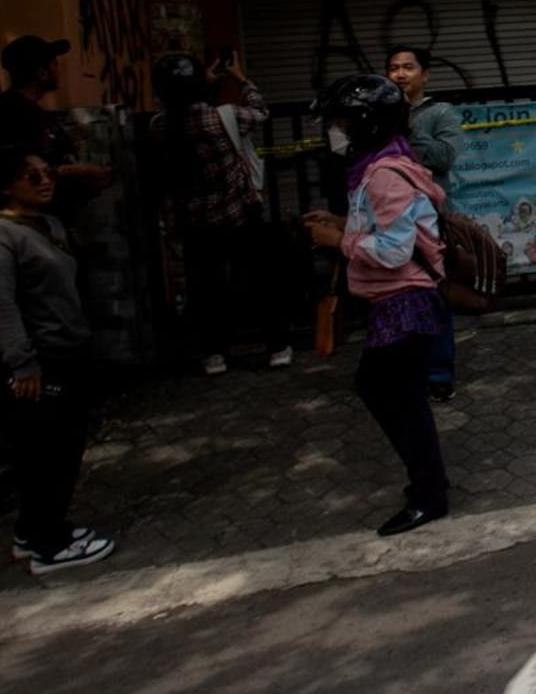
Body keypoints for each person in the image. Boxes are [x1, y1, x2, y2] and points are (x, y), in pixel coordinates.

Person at [302, 76, 451, 536]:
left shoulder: (386, 175)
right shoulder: (377, 168)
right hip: (395, 302)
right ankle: (427, 486)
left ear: (366, 123)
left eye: (342, 122)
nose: (336, 131)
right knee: (394, 394)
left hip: (405, 302)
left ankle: (430, 494)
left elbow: (392, 250)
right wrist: (343, 222)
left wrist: (338, 239)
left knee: (393, 395)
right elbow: (386, 226)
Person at [0, 149, 117, 574]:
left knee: (63, 449)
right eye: (30, 176)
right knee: (47, 453)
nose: (44, 181)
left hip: (69, 353)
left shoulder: (47, 224)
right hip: (40, 362)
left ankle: (34, 531)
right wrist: (22, 363)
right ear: (6, 185)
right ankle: (48, 546)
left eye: (47, 173)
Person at [154, 50, 293, 375]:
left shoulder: (160, 127)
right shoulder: (221, 117)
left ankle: (213, 353)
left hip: (195, 221)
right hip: (239, 214)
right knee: (261, 281)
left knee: (206, 288)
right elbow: (260, 111)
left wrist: (205, 84)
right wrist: (240, 79)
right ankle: (277, 347)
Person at [390, 46, 464, 401]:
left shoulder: (440, 113)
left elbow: (444, 157)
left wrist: (407, 126)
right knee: (396, 294)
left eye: (408, 67)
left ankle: (438, 374)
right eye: (393, 68)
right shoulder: (378, 114)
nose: (400, 74)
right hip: (389, 218)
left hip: (428, 219)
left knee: (433, 295)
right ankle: (404, 371)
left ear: (425, 74)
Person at [0, 35, 112, 207]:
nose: (58, 70)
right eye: (54, 64)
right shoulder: (10, 112)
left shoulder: (33, 110)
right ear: (41, 73)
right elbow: (22, 167)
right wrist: (81, 170)